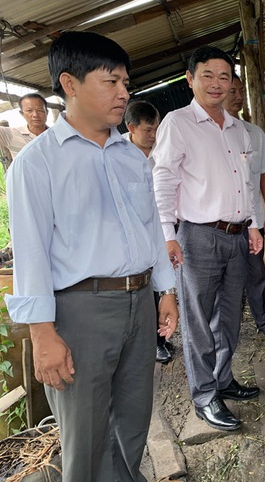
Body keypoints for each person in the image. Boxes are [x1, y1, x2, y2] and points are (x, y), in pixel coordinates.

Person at [5, 31, 179, 482]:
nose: (124, 93)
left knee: (134, 420)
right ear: (70, 83)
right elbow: (30, 252)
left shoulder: (132, 157)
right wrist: (42, 334)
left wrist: (165, 291)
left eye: (126, 81)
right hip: (81, 311)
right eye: (111, 81)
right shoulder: (37, 163)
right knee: (85, 435)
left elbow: (149, 226)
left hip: (139, 302)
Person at [152, 46, 264, 432]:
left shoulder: (236, 128)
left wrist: (252, 224)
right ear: (190, 78)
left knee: (230, 316)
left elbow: (244, 183)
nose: (217, 84)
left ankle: (223, 378)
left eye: (224, 77)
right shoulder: (177, 123)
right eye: (208, 76)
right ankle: (204, 396)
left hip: (235, 236)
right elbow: (163, 181)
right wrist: (168, 235)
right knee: (199, 320)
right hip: (197, 236)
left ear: (232, 83)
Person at [222, 74, 265, 343]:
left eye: (241, 91)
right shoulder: (206, 134)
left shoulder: (254, 133)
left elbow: (264, 175)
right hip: (219, 221)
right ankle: (227, 328)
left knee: (256, 273)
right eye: (233, 91)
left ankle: (264, 321)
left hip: (252, 220)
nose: (238, 96)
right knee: (225, 279)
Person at [123, 100, 173, 363]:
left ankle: (160, 339)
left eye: (157, 129)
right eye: (148, 130)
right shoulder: (117, 154)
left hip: (159, 230)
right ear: (131, 128)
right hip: (130, 238)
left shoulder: (163, 152)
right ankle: (149, 343)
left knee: (162, 288)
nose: (154, 136)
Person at [0, 93, 50, 170]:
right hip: (25, 181)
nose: (35, 114)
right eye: (29, 111)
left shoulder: (56, 136)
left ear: (47, 112)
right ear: (22, 113)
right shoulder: (11, 134)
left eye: (40, 110)